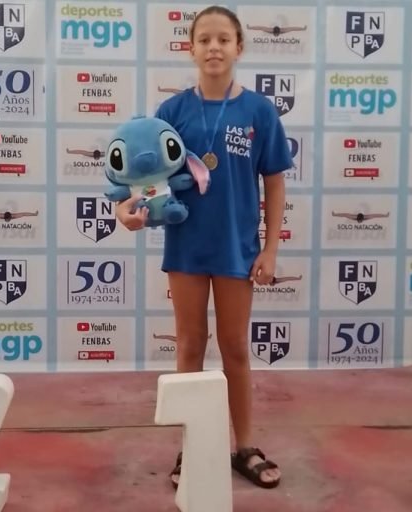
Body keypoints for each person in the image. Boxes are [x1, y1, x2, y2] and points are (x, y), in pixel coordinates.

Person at [115, 5, 291, 490]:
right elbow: (142, 179)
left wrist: (270, 249)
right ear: (190, 48)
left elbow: (275, 183)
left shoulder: (259, 111)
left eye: (223, 39)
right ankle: (190, 446)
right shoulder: (171, 113)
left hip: (237, 249)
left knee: (235, 348)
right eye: (205, 39)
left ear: (239, 48)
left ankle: (244, 446)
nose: (214, 47)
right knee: (190, 345)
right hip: (187, 248)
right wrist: (126, 211)